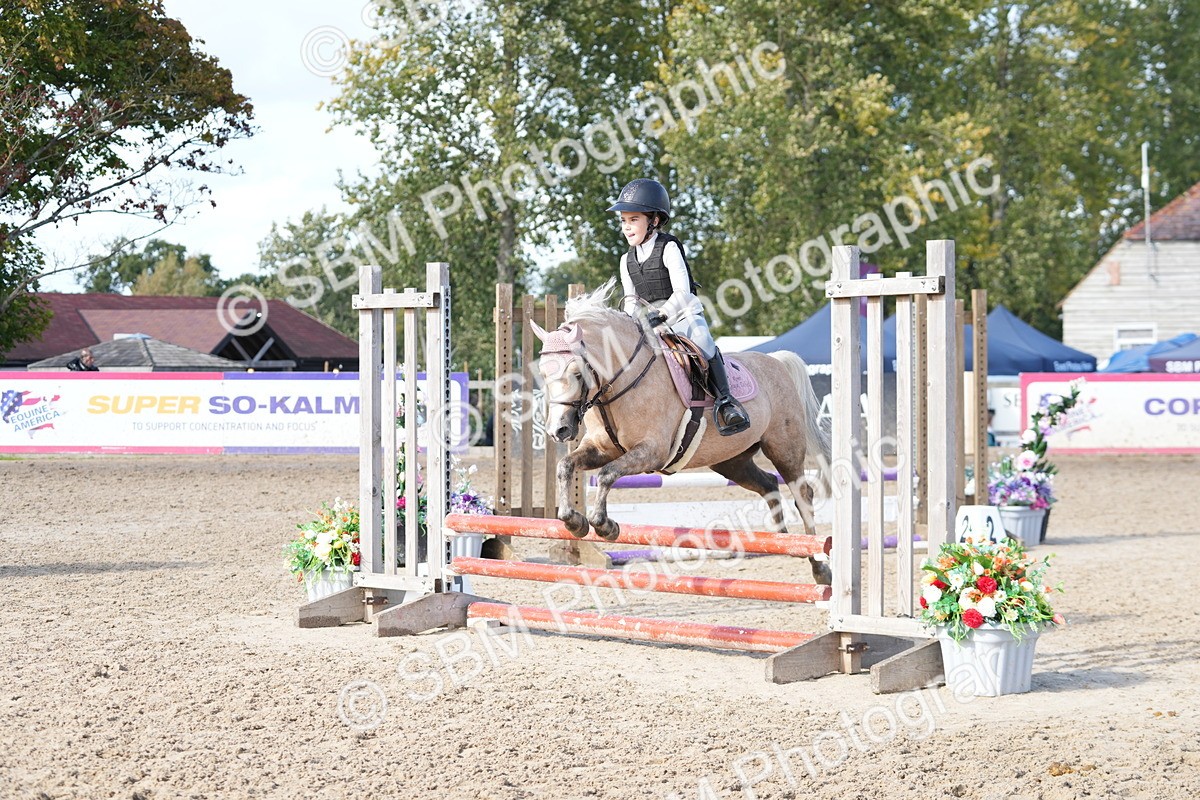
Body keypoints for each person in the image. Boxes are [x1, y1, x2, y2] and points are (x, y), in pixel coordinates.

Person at [607, 178, 750, 436]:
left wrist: (662, 315)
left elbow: (683, 292)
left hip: (683, 315)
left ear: (655, 221)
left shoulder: (669, 247)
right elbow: (630, 300)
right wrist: (630, 323)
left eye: (633, 220)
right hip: (651, 324)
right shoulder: (625, 259)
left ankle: (726, 402)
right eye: (623, 221)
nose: (627, 227)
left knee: (704, 343)